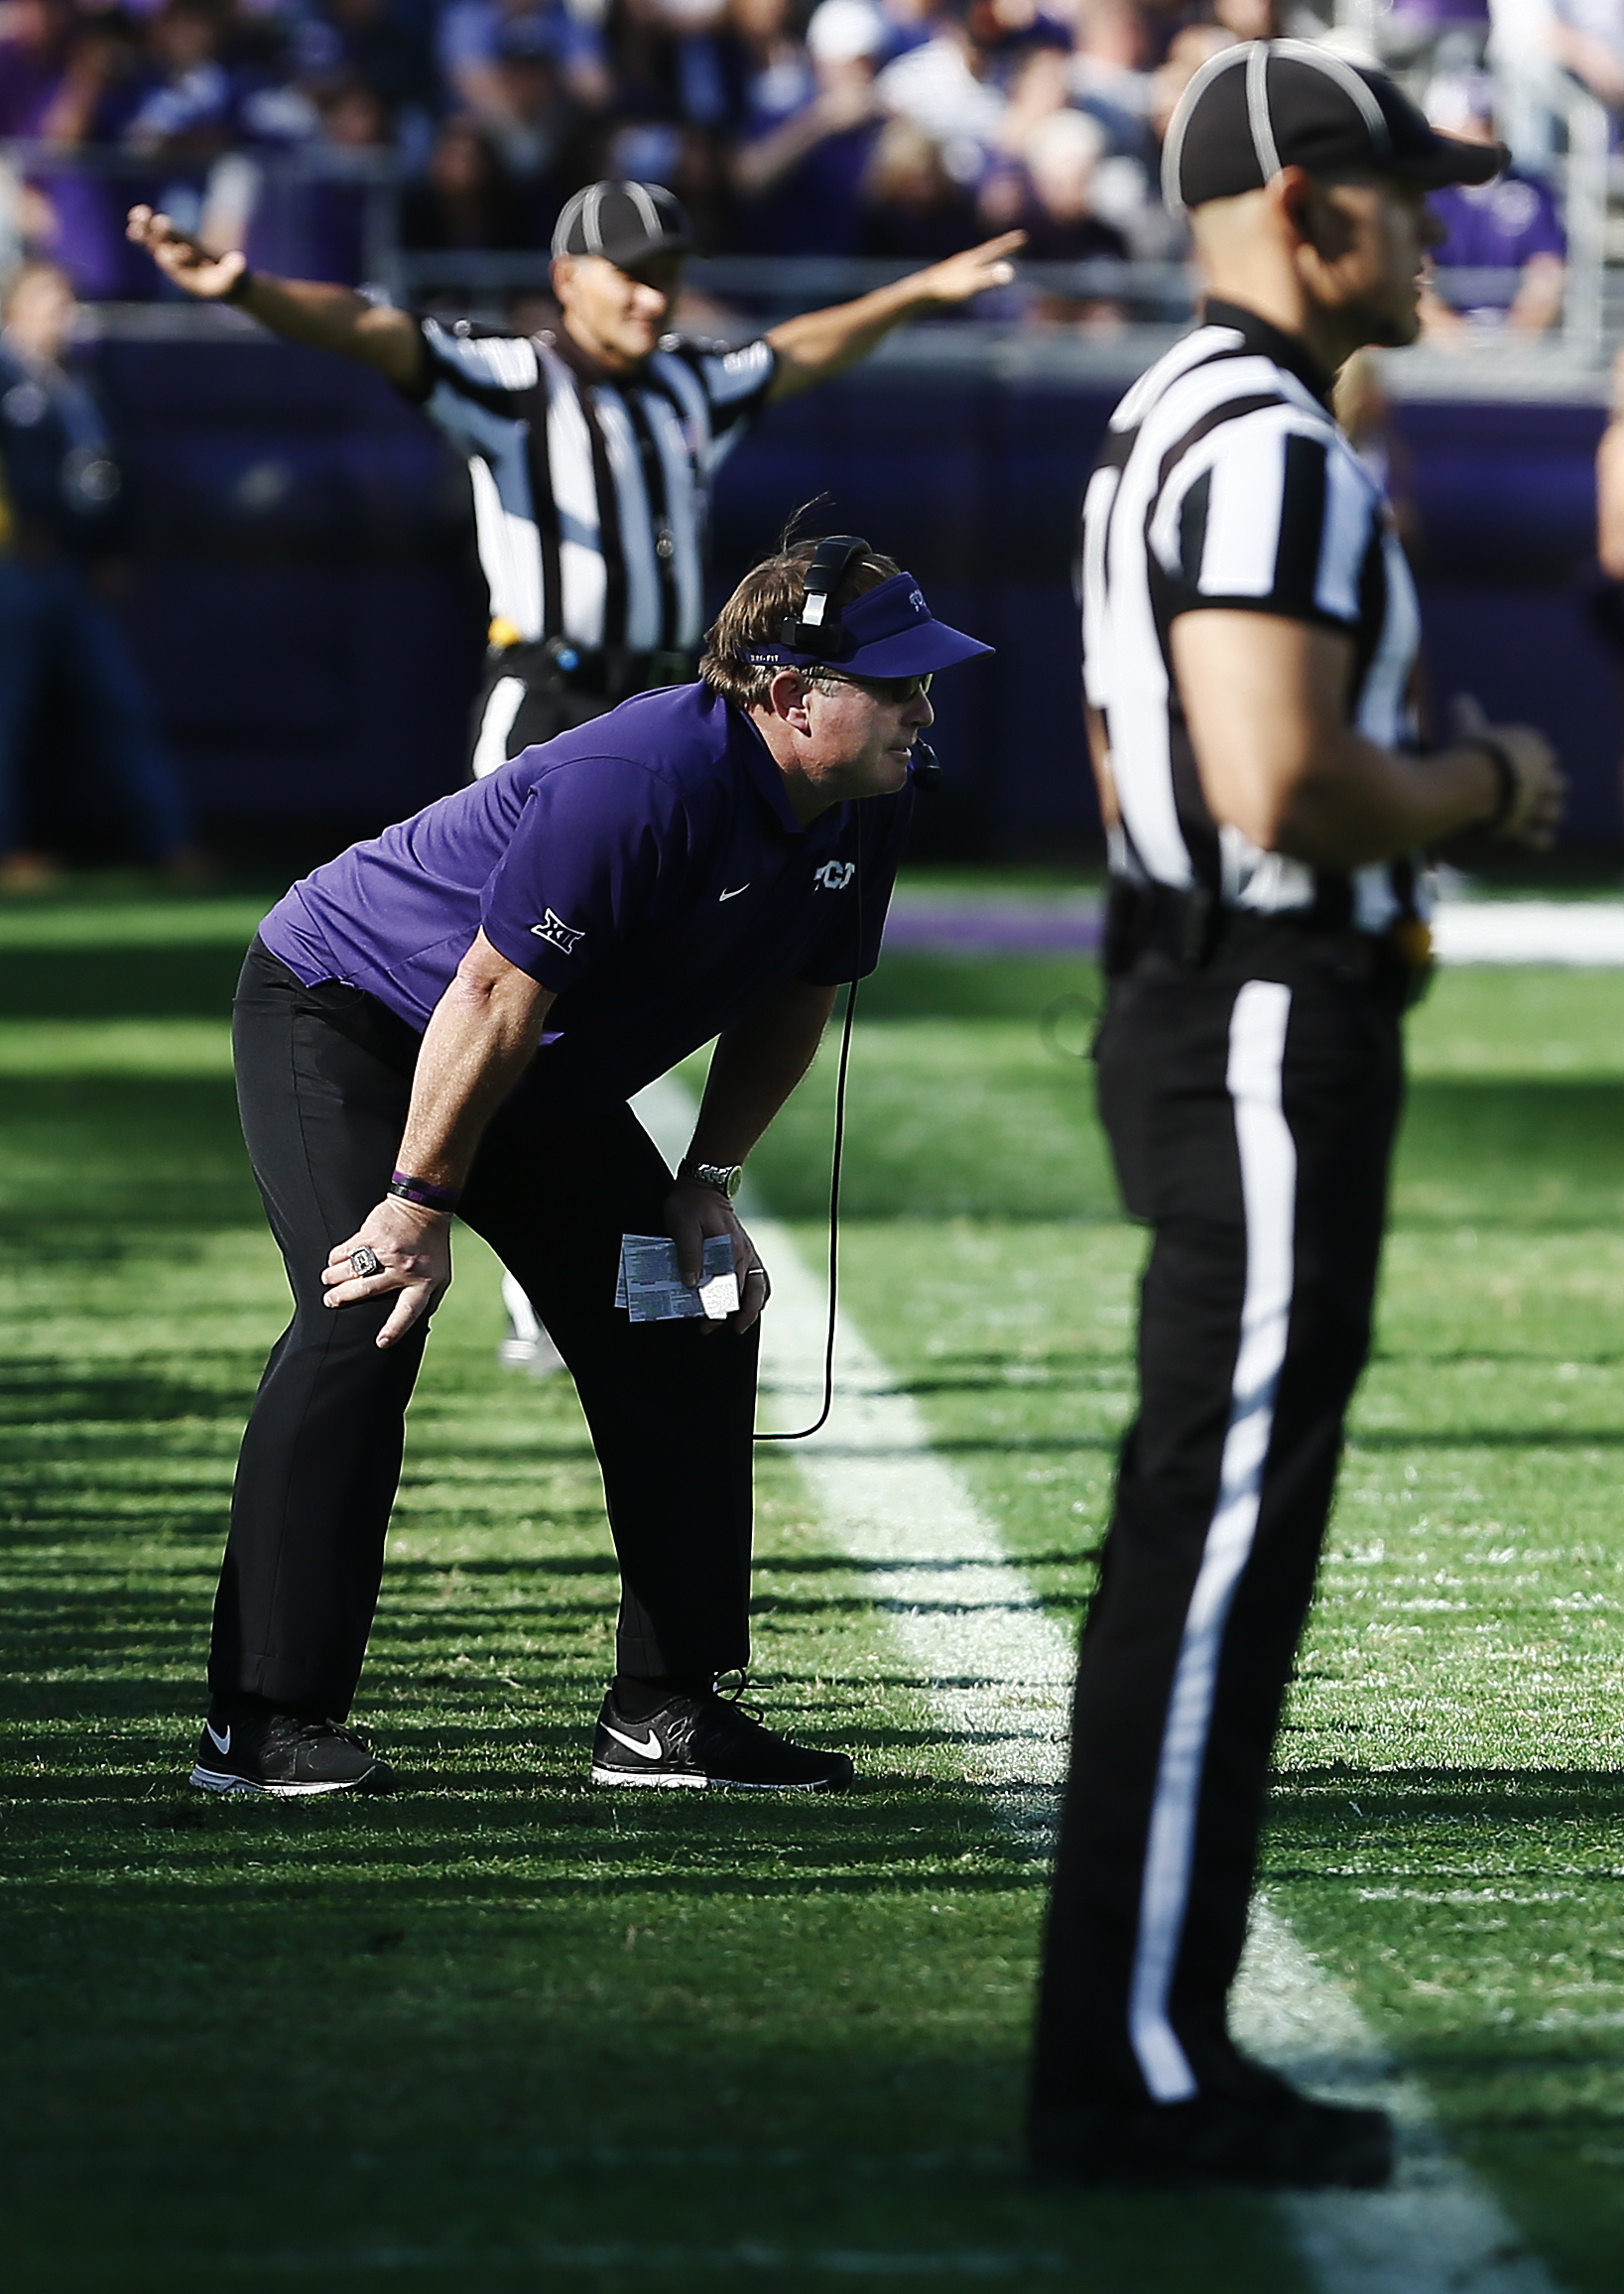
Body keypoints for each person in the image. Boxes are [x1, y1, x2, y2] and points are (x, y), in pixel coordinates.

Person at [1028, 41, 1564, 2192]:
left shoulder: (1170, 414)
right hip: (1261, 1013)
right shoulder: (1262, 440)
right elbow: (1277, 781)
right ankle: (1134, 2069)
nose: (1439, 228)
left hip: (1201, 997)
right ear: (1304, 210)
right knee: (1212, 1544)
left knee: (1200, 1539)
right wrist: (1479, 788)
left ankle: (1142, 2045)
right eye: (1407, 192)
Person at [125, 175, 1020, 1364]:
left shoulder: (693, 383)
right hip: (549, 703)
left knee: (642, 979)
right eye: (628, 273)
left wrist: (913, 292)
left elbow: (797, 349)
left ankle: (563, 1250)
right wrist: (247, 289)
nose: (652, 297)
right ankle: (465, 1227)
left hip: (683, 705)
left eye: (666, 273)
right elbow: (374, 331)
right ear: (566, 279)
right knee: (514, 964)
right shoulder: (512, 378)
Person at [185, 536, 990, 1798]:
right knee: (366, 1312)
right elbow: (493, 988)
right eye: (896, 686)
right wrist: (415, 1203)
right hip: (354, 1014)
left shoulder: (866, 797)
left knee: (688, 1310)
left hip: (523, 1065)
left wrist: (705, 1184)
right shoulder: (644, 775)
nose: (923, 710)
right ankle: (263, 1718)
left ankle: (661, 1707)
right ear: (788, 694)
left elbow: (795, 994)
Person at [0, 259, 197, 887]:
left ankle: (168, 843)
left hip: (75, 570)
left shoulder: (80, 380)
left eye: (65, 301)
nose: (62, 314)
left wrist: (112, 547)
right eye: (47, 301)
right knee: (7, 713)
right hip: (15, 570)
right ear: (14, 310)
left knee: (119, 706)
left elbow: (111, 470)